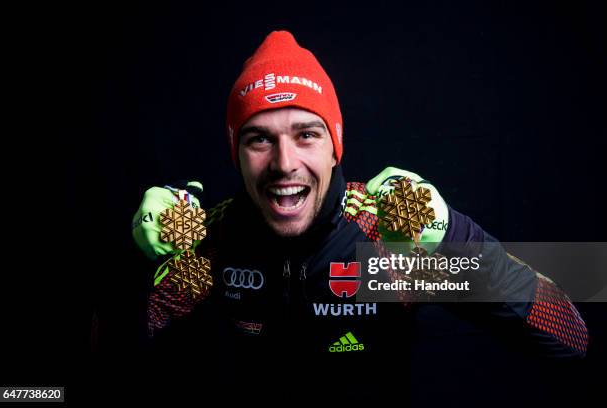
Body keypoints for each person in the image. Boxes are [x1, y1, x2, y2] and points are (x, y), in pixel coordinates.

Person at [131, 31, 587, 398]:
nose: (285, 162)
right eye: (259, 139)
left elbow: (568, 335)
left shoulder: (386, 238)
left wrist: (453, 234)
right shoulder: (211, 240)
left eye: (307, 134)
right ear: (236, 152)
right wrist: (138, 265)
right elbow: (115, 364)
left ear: (335, 147)